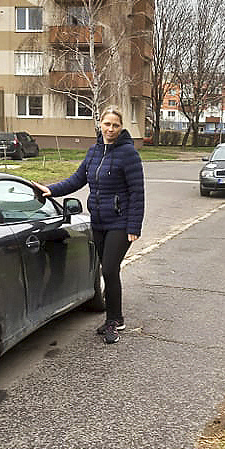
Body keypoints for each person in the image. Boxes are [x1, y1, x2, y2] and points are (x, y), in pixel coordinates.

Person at [35, 105, 145, 345]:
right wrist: (51, 190)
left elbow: (137, 192)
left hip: (120, 222)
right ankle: (115, 317)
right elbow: (77, 179)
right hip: (99, 221)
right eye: (107, 124)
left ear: (121, 127)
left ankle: (114, 321)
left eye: (116, 125)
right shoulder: (94, 151)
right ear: (100, 124)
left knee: (109, 270)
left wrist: (134, 227)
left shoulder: (129, 154)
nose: (111, 129)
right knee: (106, 268)